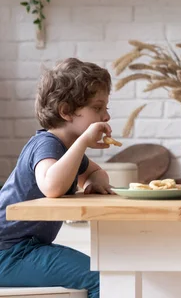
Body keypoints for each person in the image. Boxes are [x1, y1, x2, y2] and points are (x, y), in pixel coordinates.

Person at [0, 58, 116, 297]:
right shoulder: (46, 145)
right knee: (104, 281)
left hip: (25, 248)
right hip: (8, 253)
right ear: (66, 111)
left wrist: (93, 181)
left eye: (106, 108)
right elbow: (51, 186)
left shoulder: (67, 150)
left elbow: (96, 172)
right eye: (97, 107)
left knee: (107, 276)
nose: (106, 116)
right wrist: (84, 141)